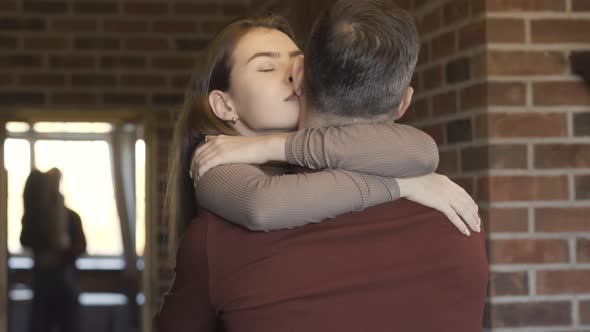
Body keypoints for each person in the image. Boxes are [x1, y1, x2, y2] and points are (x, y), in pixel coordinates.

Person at [155, 1, 487, 331]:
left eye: (296, 62)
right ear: (223, 104)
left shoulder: (217, 241)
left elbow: (420, 150)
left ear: (304, 76)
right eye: (267, 68)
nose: (287, 76)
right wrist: (404, 185)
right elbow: (262, 203)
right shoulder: (216, 168)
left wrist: (268, 145)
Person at [20, 168, 86, 332]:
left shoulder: (71, 217)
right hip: (44, 279)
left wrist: (64, 252)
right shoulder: (35, 219)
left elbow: (82, 246)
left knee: (69, 325)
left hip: (64, 277)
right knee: (41, 324)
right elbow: (25, 239)